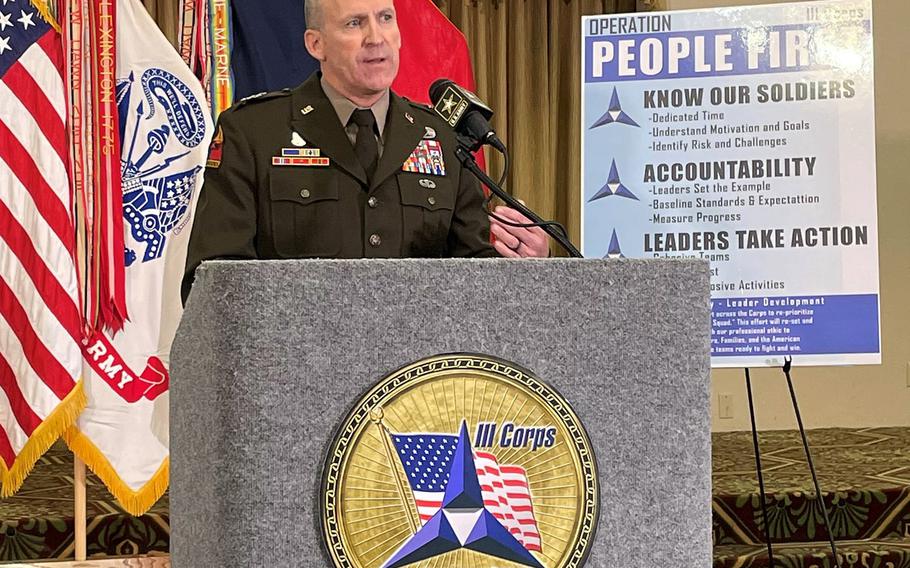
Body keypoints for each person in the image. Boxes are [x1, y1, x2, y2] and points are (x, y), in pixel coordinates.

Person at [181, 0, 549, 303]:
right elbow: (213, 281)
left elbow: (475, 273)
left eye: (385, 19)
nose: (376, 38)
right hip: (296, 373)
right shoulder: (254, 132)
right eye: (354, 23)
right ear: (316, 44)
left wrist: (523, 259)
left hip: (419, 381)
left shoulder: (440, 135)